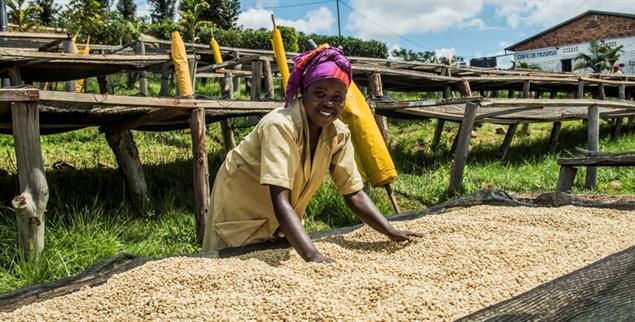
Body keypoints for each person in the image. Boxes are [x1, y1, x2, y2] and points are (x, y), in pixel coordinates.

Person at [202, 46, 421, 262]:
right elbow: (280, 199)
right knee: (231, 261)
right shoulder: (280, 126)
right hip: (241, 208)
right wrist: (312, 256)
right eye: (319, 93)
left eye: (338, 97)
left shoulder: (338, 133)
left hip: (281, 218)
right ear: (302, 92)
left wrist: (390, 231)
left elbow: (353, 192)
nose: (328, 103)